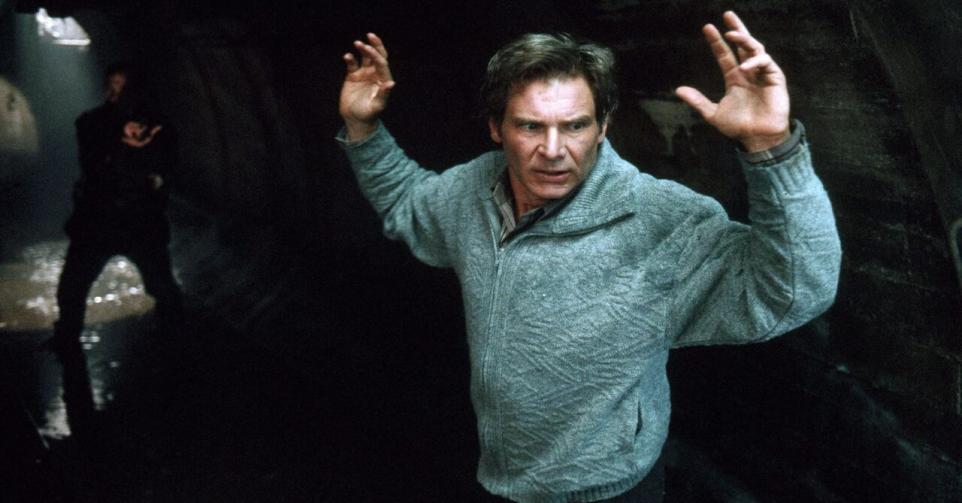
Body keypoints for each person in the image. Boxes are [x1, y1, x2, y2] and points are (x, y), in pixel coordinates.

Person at [337, 11, 841, 503]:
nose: (554, 149)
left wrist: (771, 148)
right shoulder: (473, 190)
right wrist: (363, 127)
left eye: (575, 126)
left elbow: (792, 291)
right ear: (496, 127)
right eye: (530, 126)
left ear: (602, 126)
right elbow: (407, 201)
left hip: (610, 491)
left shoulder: (659, 220)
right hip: (501, 479)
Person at [49, 64, 183, 433]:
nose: (116, 92)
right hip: (98, 222)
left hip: (141, 223)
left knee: (162, 287)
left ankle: (178, 347)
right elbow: (94, 158)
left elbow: (168, 166)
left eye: (122, 86)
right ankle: (67, 341)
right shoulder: (92, 123)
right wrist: (125, 144)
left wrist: (147, 154)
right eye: (112, 85)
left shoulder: (160, 128)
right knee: (72, 288)